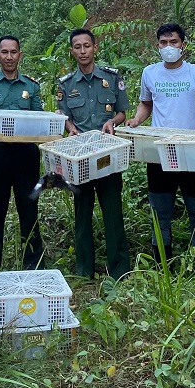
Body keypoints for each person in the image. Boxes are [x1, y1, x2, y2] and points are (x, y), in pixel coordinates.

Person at [127, 23, 195, 265]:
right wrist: (136, 120)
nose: (169, 47)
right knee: (160, 209)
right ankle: (161, 261)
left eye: (173, 42)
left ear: (183, 45)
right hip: (160, 151)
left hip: (192, 150)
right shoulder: (150, 73)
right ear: (157, 46)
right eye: (163, 43)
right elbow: (146, 104)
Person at [56, 28, 131, 280]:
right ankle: (84, 269)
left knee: (113, 212)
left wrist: (112, 122)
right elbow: (64, 116)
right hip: (79, 158)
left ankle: (119, 269)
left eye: (87, 46)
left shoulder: (112, 77)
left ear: (95, 48)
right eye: (77, 47)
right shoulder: (66, 84)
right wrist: (70, 128)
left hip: (107, 155)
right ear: (72, 51)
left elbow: (122, 112)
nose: (83, 51)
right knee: (82, 213)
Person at [0, 35, 45, 270]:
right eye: (4, 52)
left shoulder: (31, 86)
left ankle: (33, 263)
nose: (9, 57)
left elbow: (39, 118)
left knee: (29, 209)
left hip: (26, 153)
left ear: (20, 55)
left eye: (13, 52)